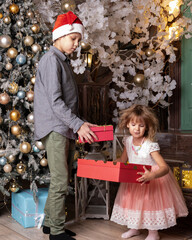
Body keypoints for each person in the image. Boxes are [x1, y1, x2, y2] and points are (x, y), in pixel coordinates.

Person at [34, 11, 97, 240]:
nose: (76, 44)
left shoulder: (61, 61)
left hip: (64, 127)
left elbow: (66, 101)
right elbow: (56, 101)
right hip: (56, 128)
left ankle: (50, 224)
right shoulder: (51, 60)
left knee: (61, 179)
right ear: (59, 36)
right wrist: (77, 125)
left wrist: (80, 123)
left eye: (79, 40)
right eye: (73, 38)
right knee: (61, 181)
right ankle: (56, 232)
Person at [110, 105, 188, 240]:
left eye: (141, 126)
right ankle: (134, 228)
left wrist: (152, 175)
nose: (137, 128)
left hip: (151, 179)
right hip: (134, 179)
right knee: (133, 202)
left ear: (146, 127)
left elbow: (164, 167)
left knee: (150, 204)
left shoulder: (150, 145)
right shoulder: (127, 141)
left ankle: (153, 233)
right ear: (128, 124)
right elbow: (123, 159)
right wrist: (111, 164)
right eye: (133, 124)